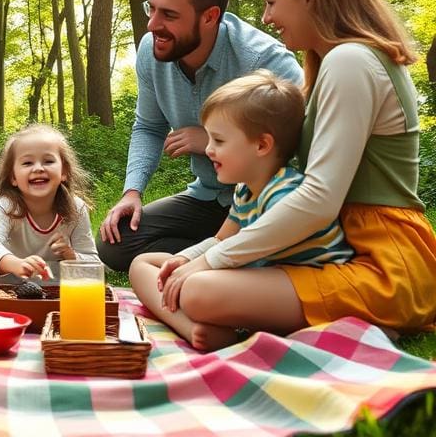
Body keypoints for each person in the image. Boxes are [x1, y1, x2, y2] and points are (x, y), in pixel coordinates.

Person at [153, 0, 436, 350]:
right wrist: (200, 257)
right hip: (338, 249)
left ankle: (360, 321)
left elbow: (319, 198)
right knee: (156, 268)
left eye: (272, 1)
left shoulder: (351, 61)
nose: (266, 17)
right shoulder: (337, 62)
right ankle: (215, 323)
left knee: (197, 289)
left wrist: (212, 260)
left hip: (380, 263)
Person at [97, 0, 302, 270]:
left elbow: (296, 147)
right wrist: (131, 192)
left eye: (169, 14)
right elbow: (148, 127)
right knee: (116, 242)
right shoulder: (151, 51)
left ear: (210, 16)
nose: (153, 25)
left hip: (263, 202)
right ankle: (219, 255)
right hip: (207, 197)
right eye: (151, 8)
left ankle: (225, 255)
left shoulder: (266, 61)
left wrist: (208, 139)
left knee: (279, 245)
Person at [129, 71, 353, 349]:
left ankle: (202, 317)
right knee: (143, 264)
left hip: (306, 286)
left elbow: (242, 251)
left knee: (196, 288)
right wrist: (184, 259)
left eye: (219, 141)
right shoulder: (245, 189)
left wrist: (198, 268)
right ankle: (193, 327)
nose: (208, 150)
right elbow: (221, 240)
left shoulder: (285, 192)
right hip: (260, 282)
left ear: (261, 145)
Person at [0, 124, 100, 282]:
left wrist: (70, 255)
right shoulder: (8, 204)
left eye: (48, 161)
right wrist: (18, 265)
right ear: (13, 177)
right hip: (11, 274)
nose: (38, 168)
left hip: (52, 276)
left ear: (64, 172)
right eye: (27, 163)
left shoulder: (76, 207)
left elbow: (93, 264)